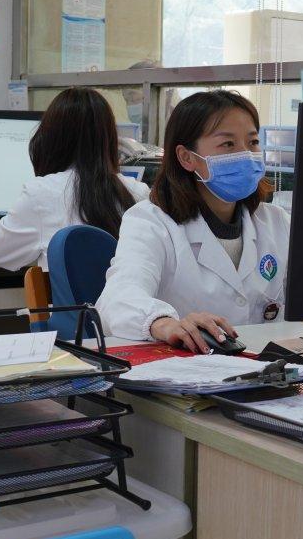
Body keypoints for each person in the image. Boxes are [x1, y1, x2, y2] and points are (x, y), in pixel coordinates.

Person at [97, 89, 287, 351]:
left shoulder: (276, 222)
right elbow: (118, 298)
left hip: (269, 364)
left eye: (253, 142)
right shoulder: (151, 222)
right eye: (228, 144)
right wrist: (164, 323)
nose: (246, 155)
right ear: (187, 157)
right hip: (187, 365)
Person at [0, 88, 148, 272]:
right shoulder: (138, 193)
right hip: (126, 292)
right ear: (109, 139)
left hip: (69, 295)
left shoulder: (41, 194)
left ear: (50, 138)